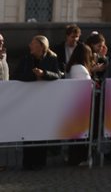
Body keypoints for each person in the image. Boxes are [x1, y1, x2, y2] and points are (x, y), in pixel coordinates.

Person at [13, 35, 63, 170]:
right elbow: (16, 76)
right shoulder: (26, 59)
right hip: (28, 101)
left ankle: (40, 162)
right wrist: (33, 76)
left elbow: (57, 75)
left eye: (33, 44)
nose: (30, 45)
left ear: (41, 46)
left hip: (44, 102)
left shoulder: (52, 59)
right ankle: (28, 162)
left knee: (41, 131)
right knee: (28, 131)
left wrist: (44, 73)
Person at [65, 43, 95, 166]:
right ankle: (78, 158)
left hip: (75, 105)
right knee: (80, 134)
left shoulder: (72, 66)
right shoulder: (80, 68)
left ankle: (74, 157)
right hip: (81, 106)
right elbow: (87, 86)